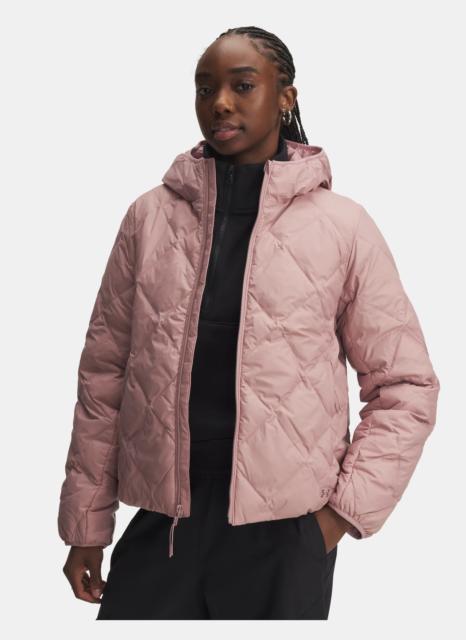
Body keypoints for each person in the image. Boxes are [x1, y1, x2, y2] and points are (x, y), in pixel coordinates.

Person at [58, 26, 440, 620]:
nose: (220, 103)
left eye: (242, 86)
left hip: (284, 538)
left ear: (285, 97)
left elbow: (406, 386)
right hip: (164, 525)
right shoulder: (148, 218)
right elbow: (104, 378)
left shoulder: (343, 227)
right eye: (204, 88)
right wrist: (87, 522)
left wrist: (337, 519)